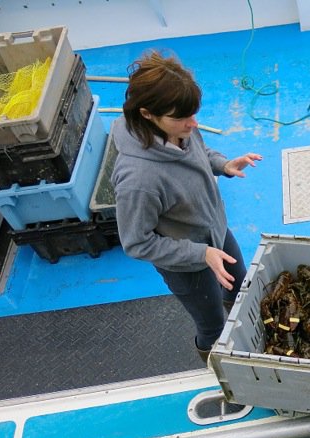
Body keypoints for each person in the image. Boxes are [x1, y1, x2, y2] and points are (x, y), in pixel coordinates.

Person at [111, 51, 262, 363]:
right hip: (187, 266)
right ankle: (222, 373)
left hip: (218, 235)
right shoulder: (138, 180)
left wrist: (223, 164)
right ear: (147, 114)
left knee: (241, 291)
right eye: (182, 118)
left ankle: (251, 344)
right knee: (212, 326)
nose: (193, 124)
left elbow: (200, 152)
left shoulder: (182, 126)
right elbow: (137, 242)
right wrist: (200, 254)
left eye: (193, 115)